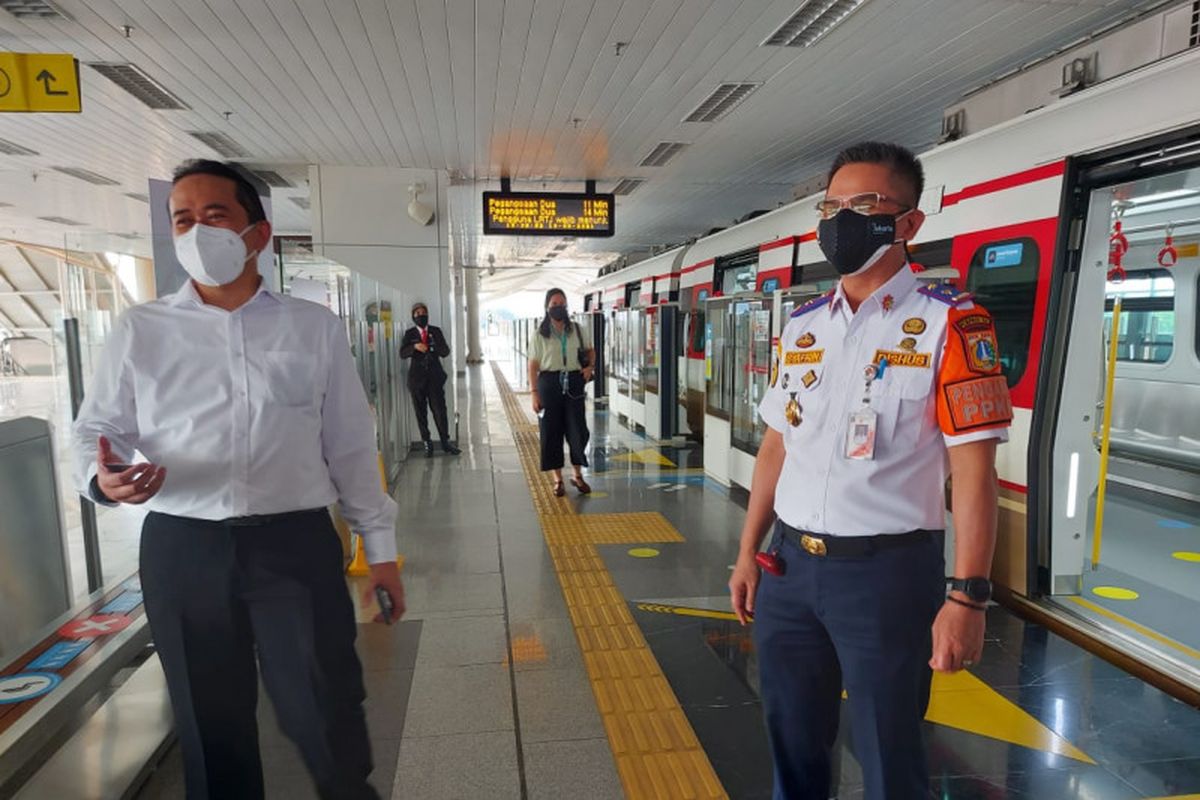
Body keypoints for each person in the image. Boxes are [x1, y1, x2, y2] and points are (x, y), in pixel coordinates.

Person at [72, 159, 405, 800]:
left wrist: (382, 551)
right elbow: (95, 429)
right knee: (209, 725)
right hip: (183, 547)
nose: (197, 231)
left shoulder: (313, 328)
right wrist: (101, 477)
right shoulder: (141, 330)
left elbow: (350, 446)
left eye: (214, 216)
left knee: (327, 708)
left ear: (258, 234)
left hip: (295, 546)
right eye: (183, 220)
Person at [728, 142, 1013, 800]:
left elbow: (974, 472)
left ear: (908, 224)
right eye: (831, 206)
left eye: (864, 205)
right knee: (792, 746)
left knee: (891, 758)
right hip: (788, 570)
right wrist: (748, 552)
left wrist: (967, 598)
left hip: (888, 577)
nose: (840, 219)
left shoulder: (949, 324)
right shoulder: (804, 327)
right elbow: (778, 445)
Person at [527, 288, 596, 496]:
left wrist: (589, 367)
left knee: (578, 430)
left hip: (574, 382)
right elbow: (532, 365)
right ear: (547, 308)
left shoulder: (577, 329)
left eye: (561, 304)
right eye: (554, 304)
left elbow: (590, 350)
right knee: (551, 432)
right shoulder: (540, 335)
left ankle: (577, 475)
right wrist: (534, 392)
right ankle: (558, 480)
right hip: (549, 384)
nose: (559, 307)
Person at [399, 301, 459, 457]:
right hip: (416, 380)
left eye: (423, 313)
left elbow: (445, 351)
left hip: (435, 379)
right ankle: (427, 444)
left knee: (440, 411)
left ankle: (445, 443)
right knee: (421, 413)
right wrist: (414, 348)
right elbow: (402, 353)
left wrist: (432, 347)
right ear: (413, 316)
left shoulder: (436, 331)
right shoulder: (410, 334)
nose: (421, 316)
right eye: (417, 314)